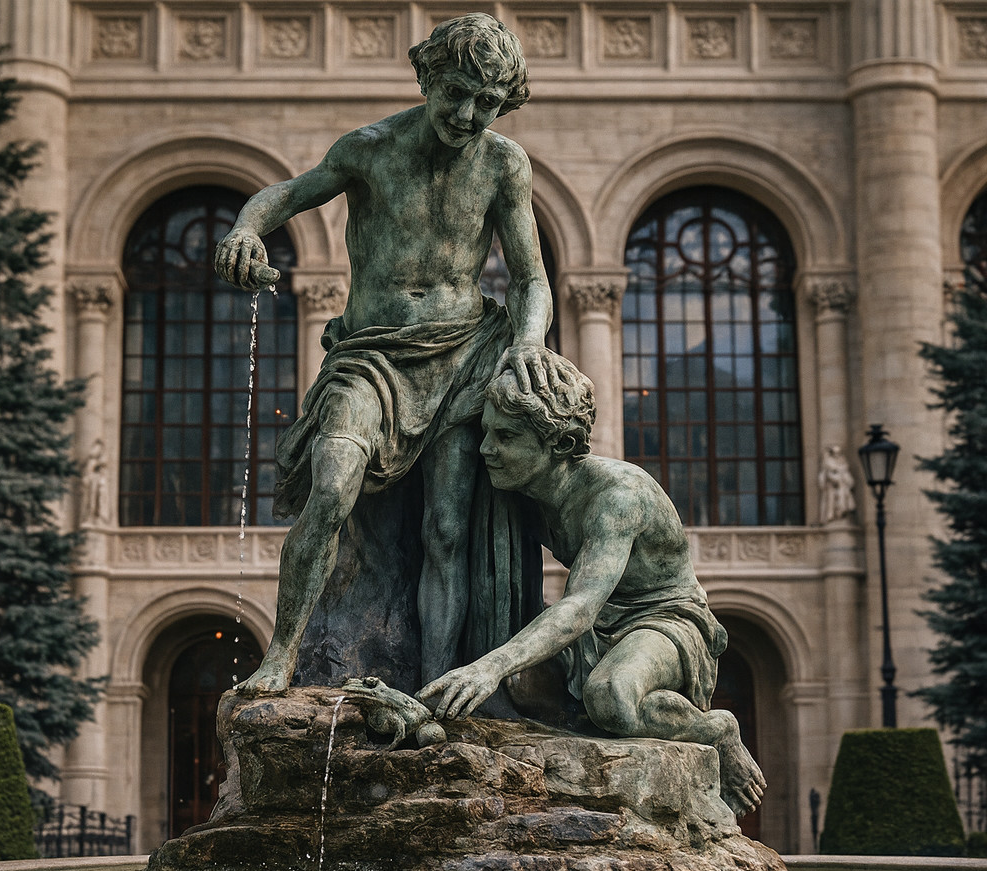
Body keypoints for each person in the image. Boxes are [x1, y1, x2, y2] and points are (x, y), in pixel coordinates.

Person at [214, 15, 553, 694]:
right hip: (369, 356)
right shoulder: (369, 149)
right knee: (332, 486)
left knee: (447, 528)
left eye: (487, 103)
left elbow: (529, 278)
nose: (467, 114)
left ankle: (433, 684)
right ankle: (281, 658)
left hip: (461, 354)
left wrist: (525, 342)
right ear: (427, 76)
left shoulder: (502, 162)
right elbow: (288, 194)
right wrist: (248, 227)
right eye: (456, 92)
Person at [417, 353, 766, 817]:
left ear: (560, 443)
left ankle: (715, 730)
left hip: (662, 618)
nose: (485, 450)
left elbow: (579, 605)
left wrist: (488, 666)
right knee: (520, 688)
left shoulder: (617, 496)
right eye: (487, 432)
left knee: (611, 697)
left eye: (505, 437)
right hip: (597, 623)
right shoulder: (521, 492)